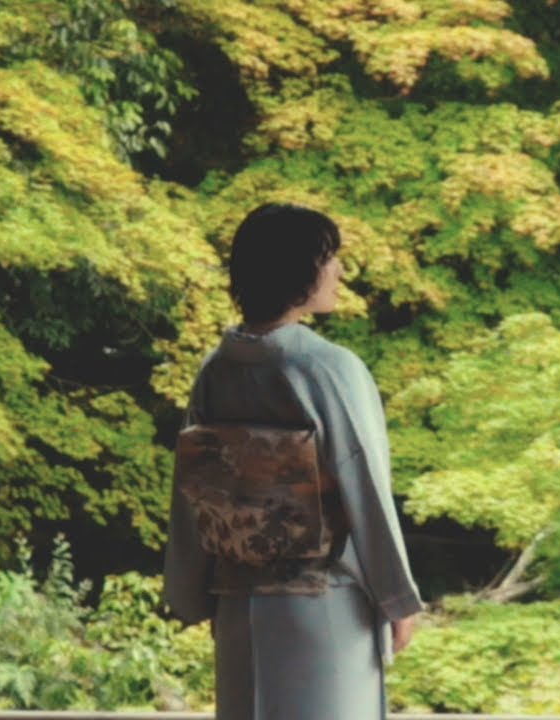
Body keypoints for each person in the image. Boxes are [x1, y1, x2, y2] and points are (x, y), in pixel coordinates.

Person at [163, 203, 425, 720]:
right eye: (329, 258)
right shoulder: (328, 368)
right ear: (296, 270)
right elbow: (365, 486)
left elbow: (195, 490)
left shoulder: (216, 370)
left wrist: (194, 590)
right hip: (323, 601)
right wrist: (398, 599)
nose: (339, 271)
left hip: (238, 601)